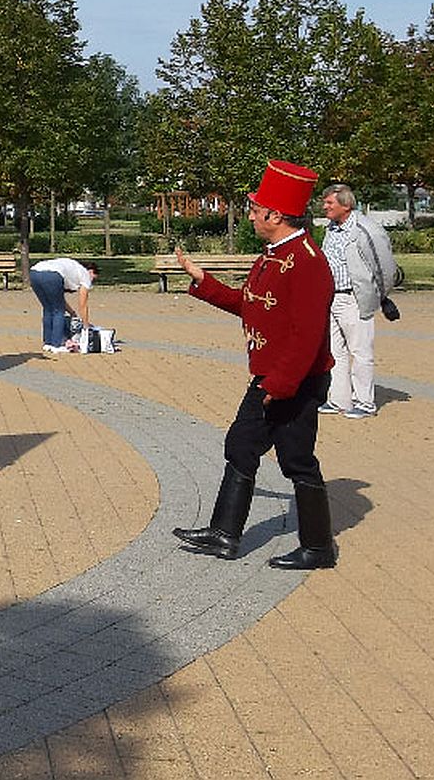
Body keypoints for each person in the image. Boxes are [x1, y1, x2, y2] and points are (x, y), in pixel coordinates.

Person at [172, 159, 338, 570]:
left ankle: (318, 548)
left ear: (276, 215)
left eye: (255, 208)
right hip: (271, 377)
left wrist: (279, 385)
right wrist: (202, 279)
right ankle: (225, 534)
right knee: (241, 446)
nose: (250, 214)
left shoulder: (307, 261)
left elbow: (307, 335)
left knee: (297, 458)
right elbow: (250, 304)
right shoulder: (274, 254)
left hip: (293, 380)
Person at [319, 184, 399, 420]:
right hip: (332, 298)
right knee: (336, 350)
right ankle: (339, 399)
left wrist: (382, 296)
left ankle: (365, 402)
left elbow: (385, 267)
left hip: (355, 298)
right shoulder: (331, 228)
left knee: (360, 351)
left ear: (346, 205)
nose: (324, 206)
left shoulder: (366, 230)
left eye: (329, 203)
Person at [29, 256, 97, 354]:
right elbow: (83, 304)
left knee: (48, 308)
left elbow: (59, 300)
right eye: (94, 279)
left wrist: (72, 313)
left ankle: (48, 343)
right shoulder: (85, 274)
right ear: (91, 271)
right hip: (52, 275)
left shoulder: (72, 267)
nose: (91, 283)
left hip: (34, 273)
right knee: (59, 311)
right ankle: (56, 345)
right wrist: (86, 327)